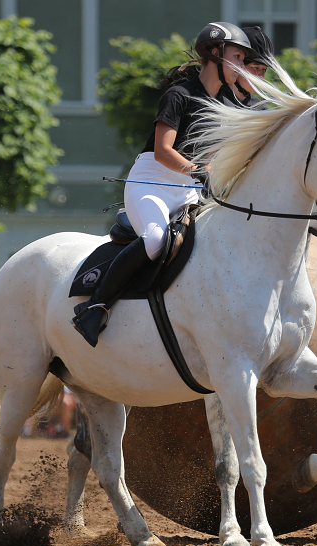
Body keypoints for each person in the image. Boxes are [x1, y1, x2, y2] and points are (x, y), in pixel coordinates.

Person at [72, 22, 255, 347]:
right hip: (151, 182)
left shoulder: (227, 102)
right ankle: (95, 306)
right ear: (215, 53)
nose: (241, 66)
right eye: (237, 57)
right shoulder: (179, 95)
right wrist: (197, 170)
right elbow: (162, 151)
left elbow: (217, 152)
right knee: (156, 238)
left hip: (189, 188)